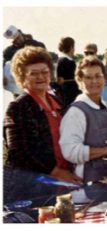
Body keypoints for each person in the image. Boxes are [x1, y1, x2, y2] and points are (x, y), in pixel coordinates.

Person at [3, 46, 81, 205]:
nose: (41, 77)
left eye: (44, 72)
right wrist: (55, 172)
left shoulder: (58, 102)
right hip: (31, 189)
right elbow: (18, 153)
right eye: (34, 73)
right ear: (22, 76)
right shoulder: (17, 107)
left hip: (63, 183)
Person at [59, 56, 107, 203]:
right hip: (85, 192)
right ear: (79, 81)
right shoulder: (76, 112)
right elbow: (69, 151)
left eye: (98, 76)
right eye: (88, 77)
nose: (94, 81)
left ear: (105, 78)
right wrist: (106, 151)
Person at [56, 37, 80, 106]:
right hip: (70, 96)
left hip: (63, 95)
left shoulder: (60, 60)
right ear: (71, 47)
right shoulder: (68, 62)